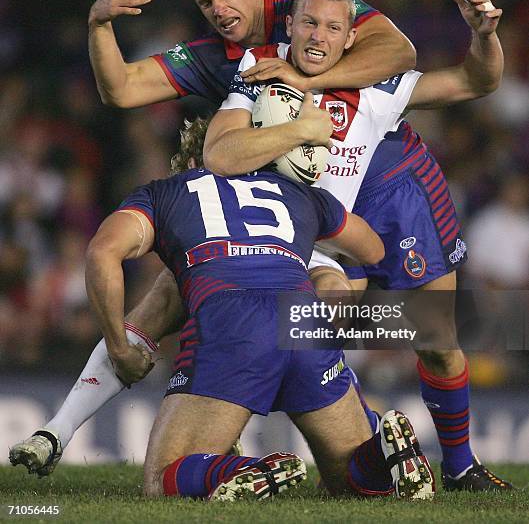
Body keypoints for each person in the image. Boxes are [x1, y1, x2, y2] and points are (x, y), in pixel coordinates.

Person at [8, 0, 417, 479]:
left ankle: (338, 439)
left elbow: (402, 54)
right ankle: (58, 433)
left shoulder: (308, 13)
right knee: (182, 298)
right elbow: (124, 90)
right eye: (205, 3)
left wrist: (302, 77)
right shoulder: (214, 61)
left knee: (321, 303)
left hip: (329, 206)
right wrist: (99, 25)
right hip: (278, 216)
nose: (219, 10)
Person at [203, 0, 512, 492]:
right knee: (315, 316)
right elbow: (220, 154)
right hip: (283, 241)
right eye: (308, 23)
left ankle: (459, 467)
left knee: (436, 339)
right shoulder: (259, 71)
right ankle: (367, 448)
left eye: (331, 27)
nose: (317, 36)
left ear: (350, 38)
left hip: (343, 231)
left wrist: (484, 38)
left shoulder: (375, 87)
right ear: (290, 26)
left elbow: (474, 82)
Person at [84, 118, 434, 500]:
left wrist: (119, 349)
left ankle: (247, 469)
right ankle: (382, 456)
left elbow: (103, 252)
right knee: (348, 482)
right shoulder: (296, 192)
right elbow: (373, 250)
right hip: (304, 317)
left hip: (232, 318)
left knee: (163, 478)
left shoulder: (164, 192)